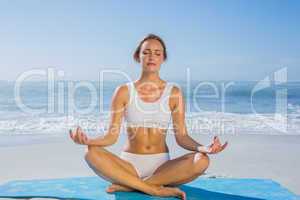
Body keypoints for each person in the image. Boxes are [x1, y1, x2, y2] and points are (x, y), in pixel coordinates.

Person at [69, 33, 228, 199]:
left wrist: (205, 148)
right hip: (129, 165)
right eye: (146, 52)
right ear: (138, 56)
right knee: (90, 153)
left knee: (202, 160)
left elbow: (182, 137)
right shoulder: (123, 91)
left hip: (163, 168)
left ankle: (132, 185)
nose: (152, 57)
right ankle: (153, 188)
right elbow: (111, 137)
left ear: (163, 58)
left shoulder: (174, 93)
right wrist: (88, 141)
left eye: (157, 53)